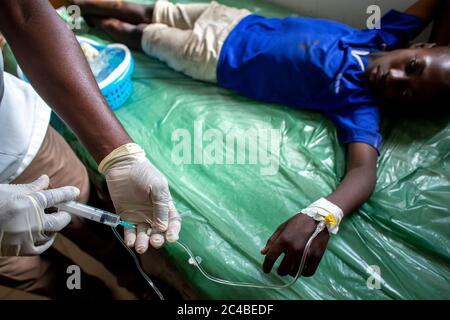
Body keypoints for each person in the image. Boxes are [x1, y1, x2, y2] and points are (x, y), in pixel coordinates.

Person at [72, 0, 450, 277]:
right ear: (421, 47)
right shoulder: (385, 36)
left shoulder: (360, 104)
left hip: (212, 57)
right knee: (139, 9)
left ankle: (78, 30)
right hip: (232, 18)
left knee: (133, 34)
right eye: (412, 67)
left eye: (406, 95)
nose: (395, 79)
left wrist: (322, 216)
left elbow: (363, 173)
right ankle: (71, 12)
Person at [0, 0, 181, 299]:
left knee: (95, 230)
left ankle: (138, 284)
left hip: (17, 139)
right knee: (36, 276)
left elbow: (24, 13)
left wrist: (119, 155)